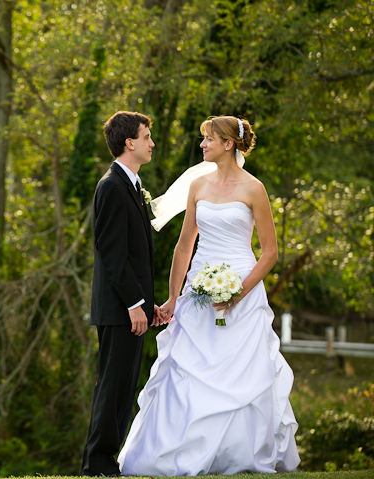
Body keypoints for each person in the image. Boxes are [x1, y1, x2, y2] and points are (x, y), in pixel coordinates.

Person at [117, 116, 301, 475]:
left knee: (243, 371)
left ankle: (239, 453)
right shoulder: (198, 185)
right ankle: (178, 451)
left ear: (228, 144)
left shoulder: (253, 189)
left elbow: (270, 253)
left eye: (208, 140)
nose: (202, 146)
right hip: (198, 289)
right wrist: (173, 299)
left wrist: (237, 295)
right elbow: (184, 246)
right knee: (189, 369)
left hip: (242, 290)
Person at [81, 111, 166, 477]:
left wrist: (150, 305)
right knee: (112, 387)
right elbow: (112, 256)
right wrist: (134, 304)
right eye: (146, 136)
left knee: (122, 389)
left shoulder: (130, 184)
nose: (151, 142)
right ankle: (97, 465)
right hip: (119, 309)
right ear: (129, 142)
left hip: (133, 308)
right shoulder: (112, 186)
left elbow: (136, 255)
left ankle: (106, 463)